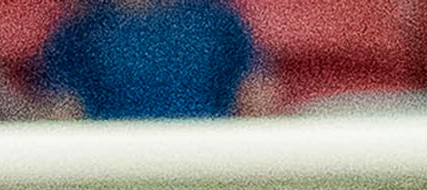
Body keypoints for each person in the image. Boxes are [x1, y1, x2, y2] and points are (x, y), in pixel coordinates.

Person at [32, 0, 281, 119]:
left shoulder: (219, 23)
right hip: (116, 178)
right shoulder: (78, 35)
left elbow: (255, 100)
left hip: (206, 171)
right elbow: (63, 118)